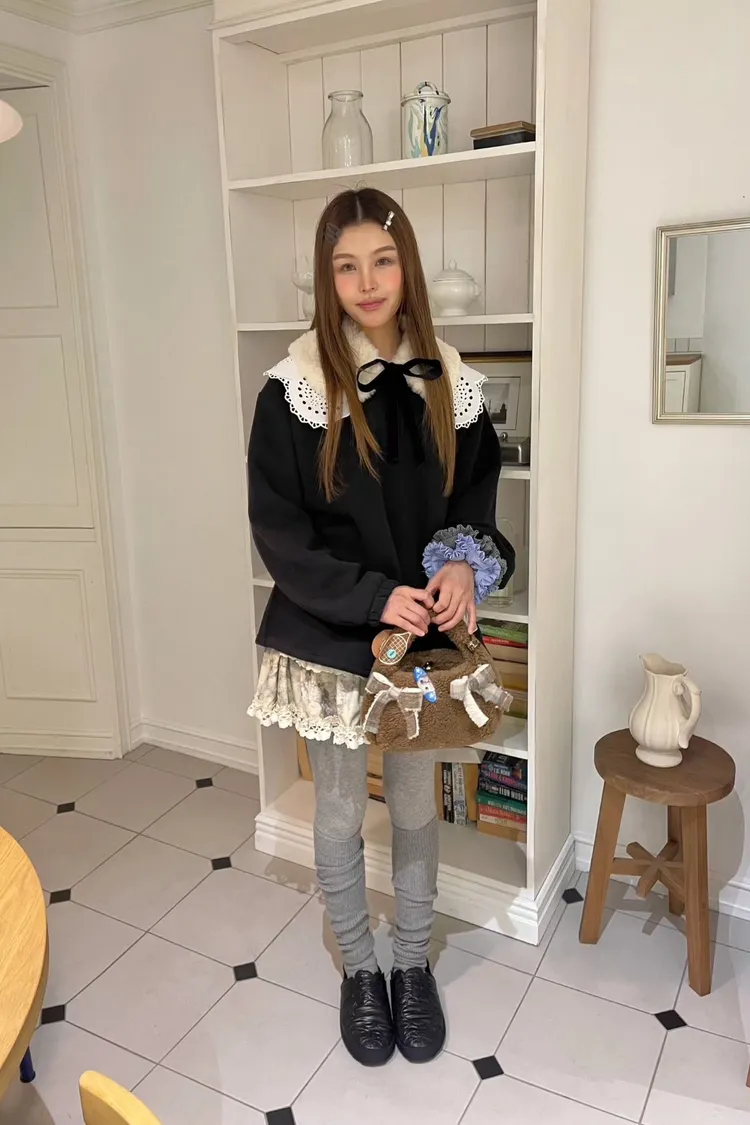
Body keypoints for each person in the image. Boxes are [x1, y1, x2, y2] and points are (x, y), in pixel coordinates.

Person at [247, 187, 514, 1067]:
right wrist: (370, 599)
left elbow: (475, 499)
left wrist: (458, 563)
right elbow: (281, 531)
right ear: (326, 278)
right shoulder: (293, 389)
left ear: (409, 268)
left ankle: (411, 964)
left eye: (383, 261)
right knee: (334, 811)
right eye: (346, 265)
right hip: (333, 634)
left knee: (410, 804)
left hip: (420, 643)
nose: (367, 282)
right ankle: (360, 969)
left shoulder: (453, 382)